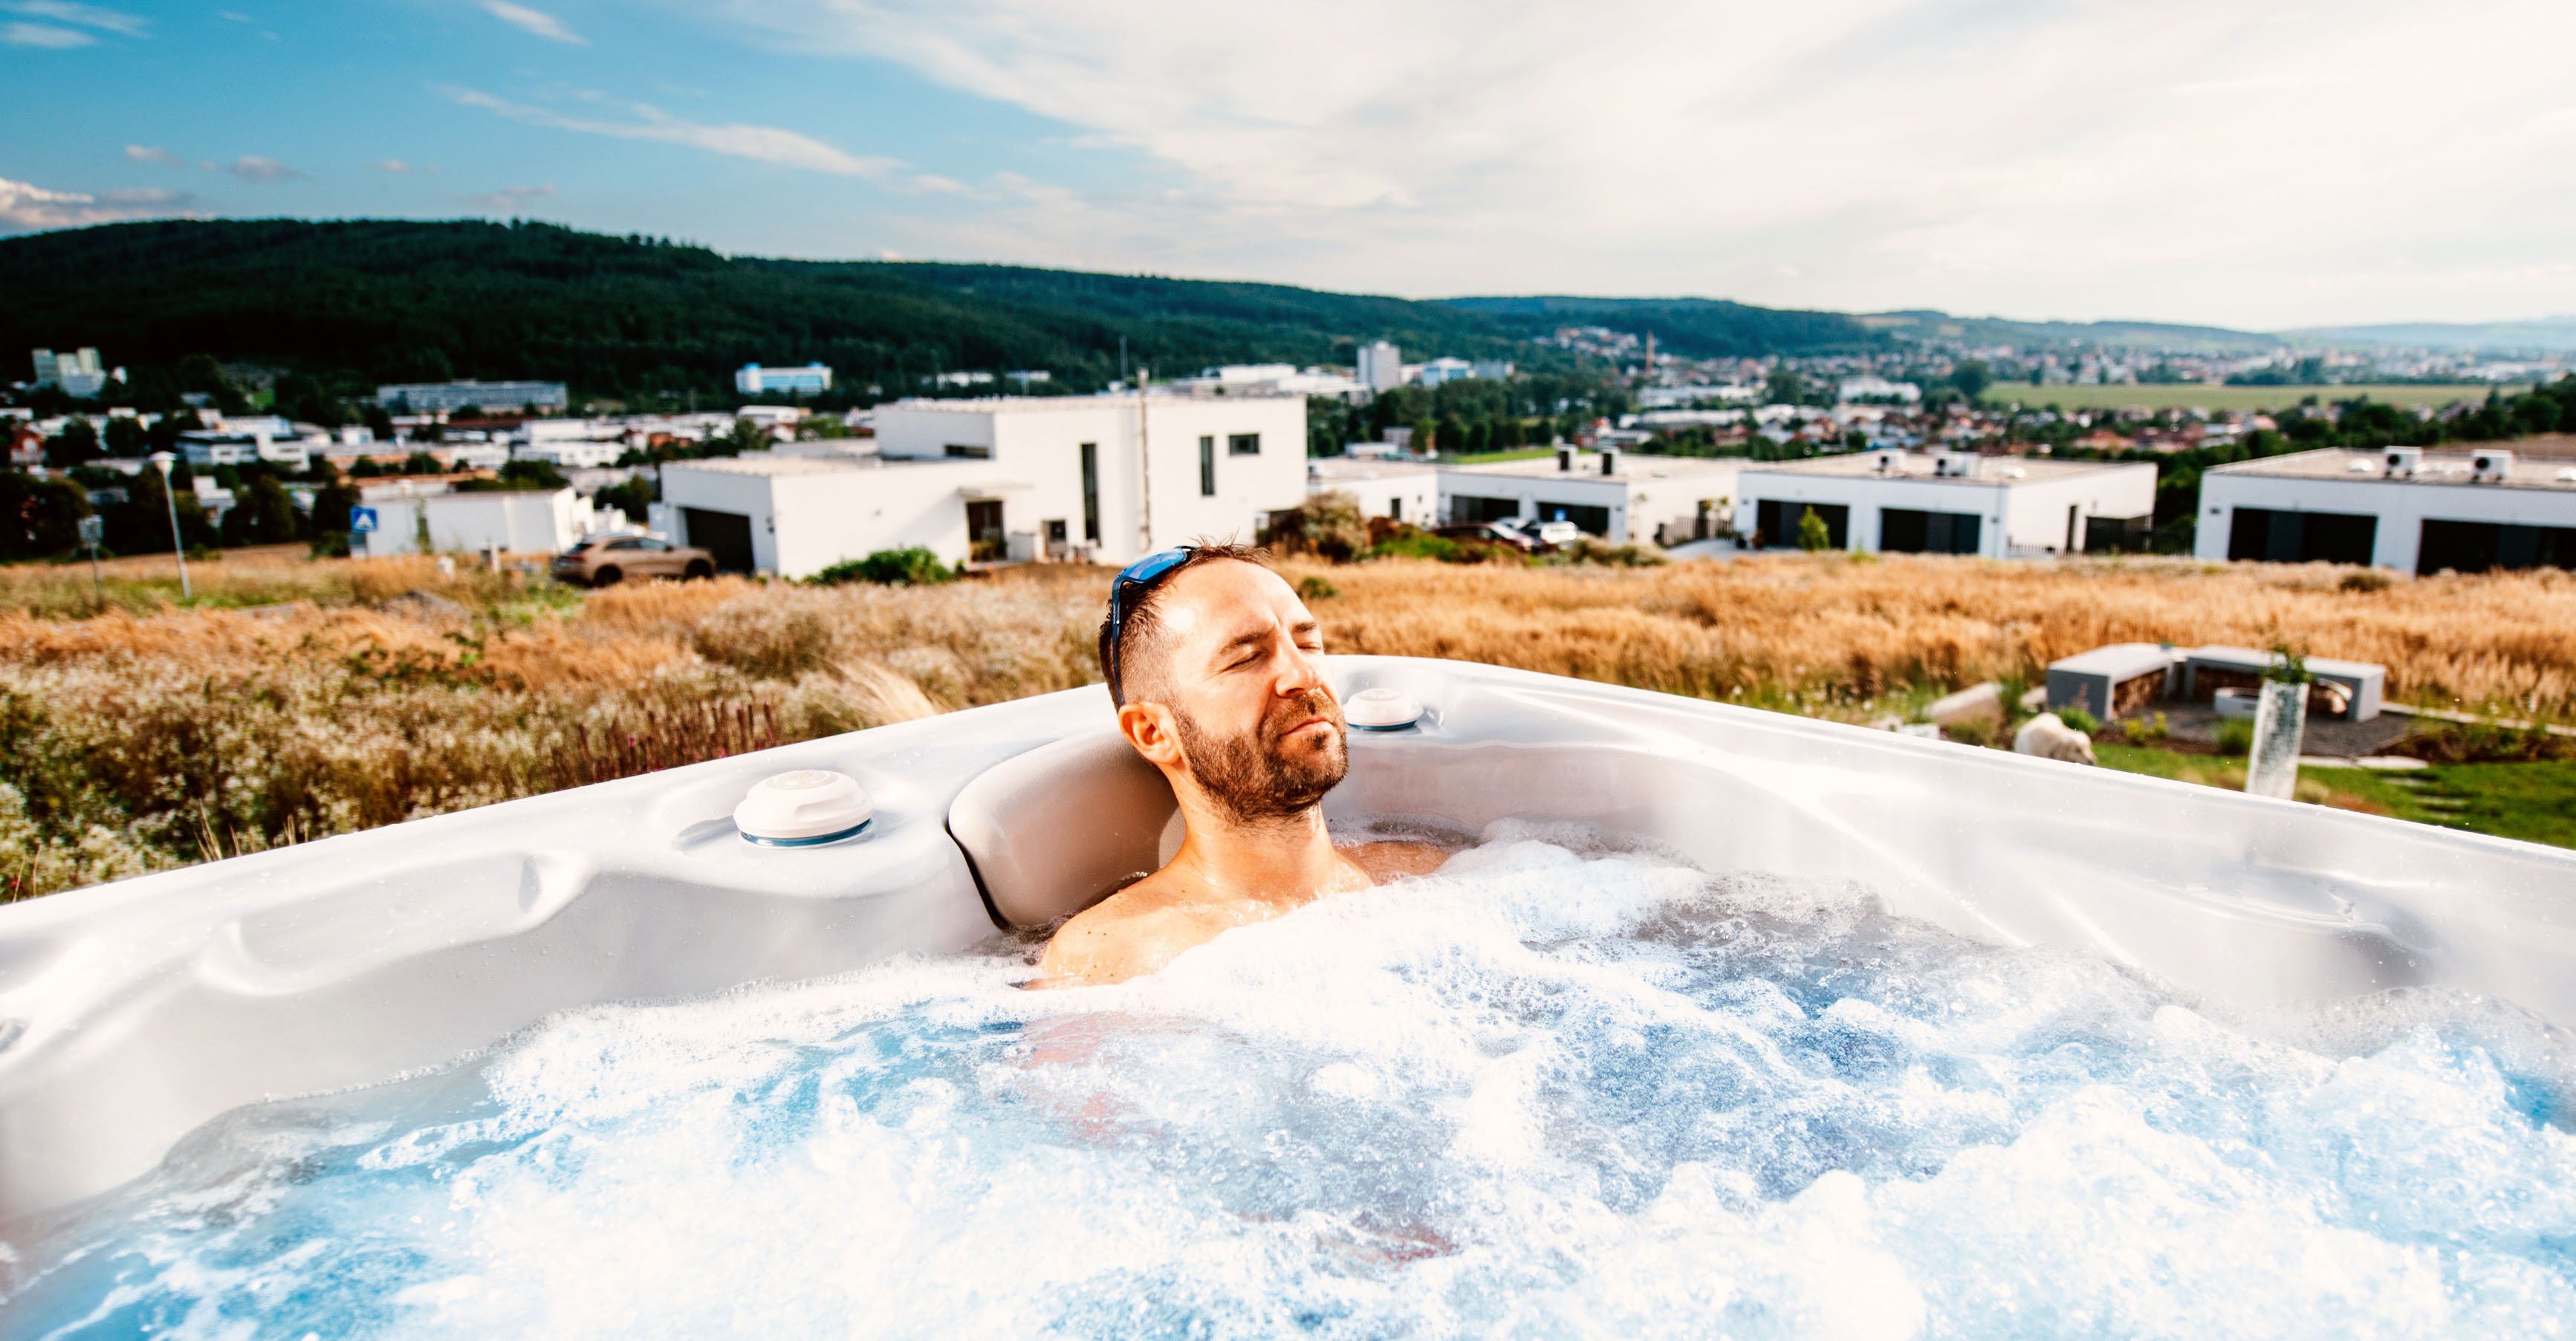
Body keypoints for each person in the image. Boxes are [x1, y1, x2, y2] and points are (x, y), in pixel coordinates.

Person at [1034, 543, 1447, 987]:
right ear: (1154, 733)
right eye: (1247, 657)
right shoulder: (1111, 957)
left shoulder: (1431, 876)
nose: (1305, 675)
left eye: (1307, 642)